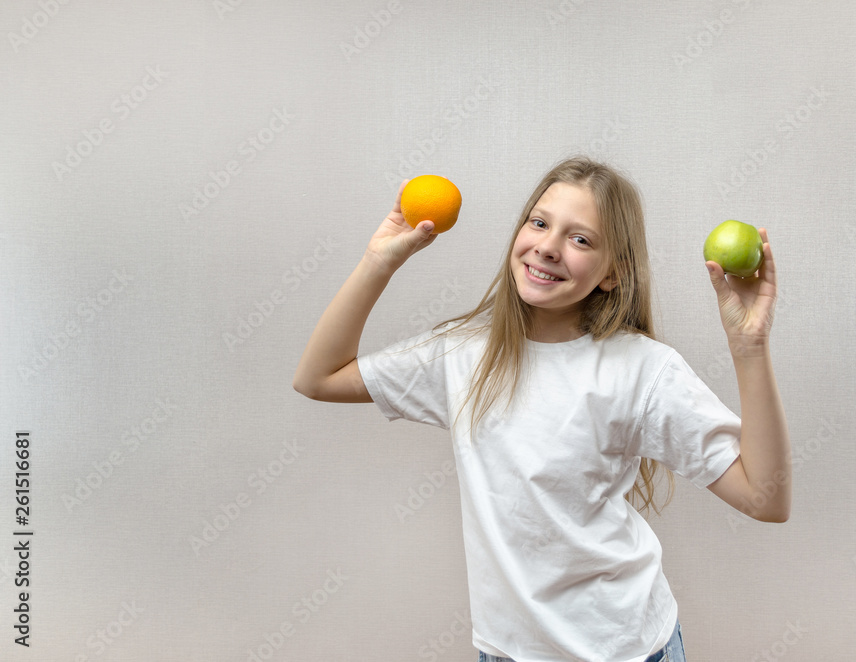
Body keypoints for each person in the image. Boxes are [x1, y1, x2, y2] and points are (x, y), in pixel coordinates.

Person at [292, 156, 791, 662]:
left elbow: (764, 499)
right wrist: (381, 260)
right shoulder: (464, 354)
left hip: (626, 651)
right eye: (539, 222)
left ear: (612, 274)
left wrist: (749, 347)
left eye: (581, 240)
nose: (548, 247)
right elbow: (318, 377)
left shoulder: (642, 369)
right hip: (508, 653)